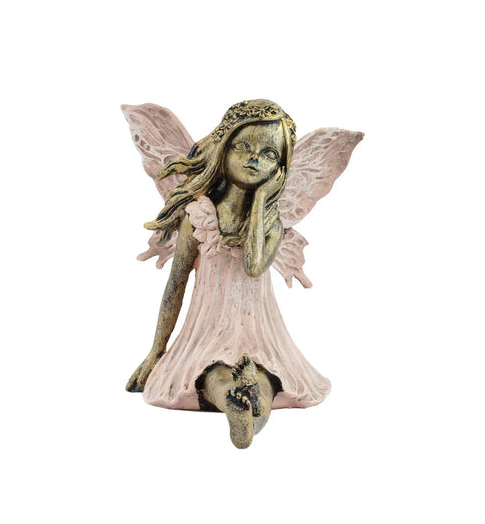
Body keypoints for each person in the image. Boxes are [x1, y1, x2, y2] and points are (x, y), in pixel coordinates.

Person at [124, 100, 355, 448]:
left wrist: (261, 201)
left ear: (280, 169)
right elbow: (176, 283)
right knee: (211, 377)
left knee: (267, 379)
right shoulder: (198, 215)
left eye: (268, 154)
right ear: (223, 148)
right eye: (243, 147)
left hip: (261, 332)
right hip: (206, 331)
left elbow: (253, 264)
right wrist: (157, 351)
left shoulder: (270, 225)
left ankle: (250, 413)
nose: (253, 159)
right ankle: (234, 404)